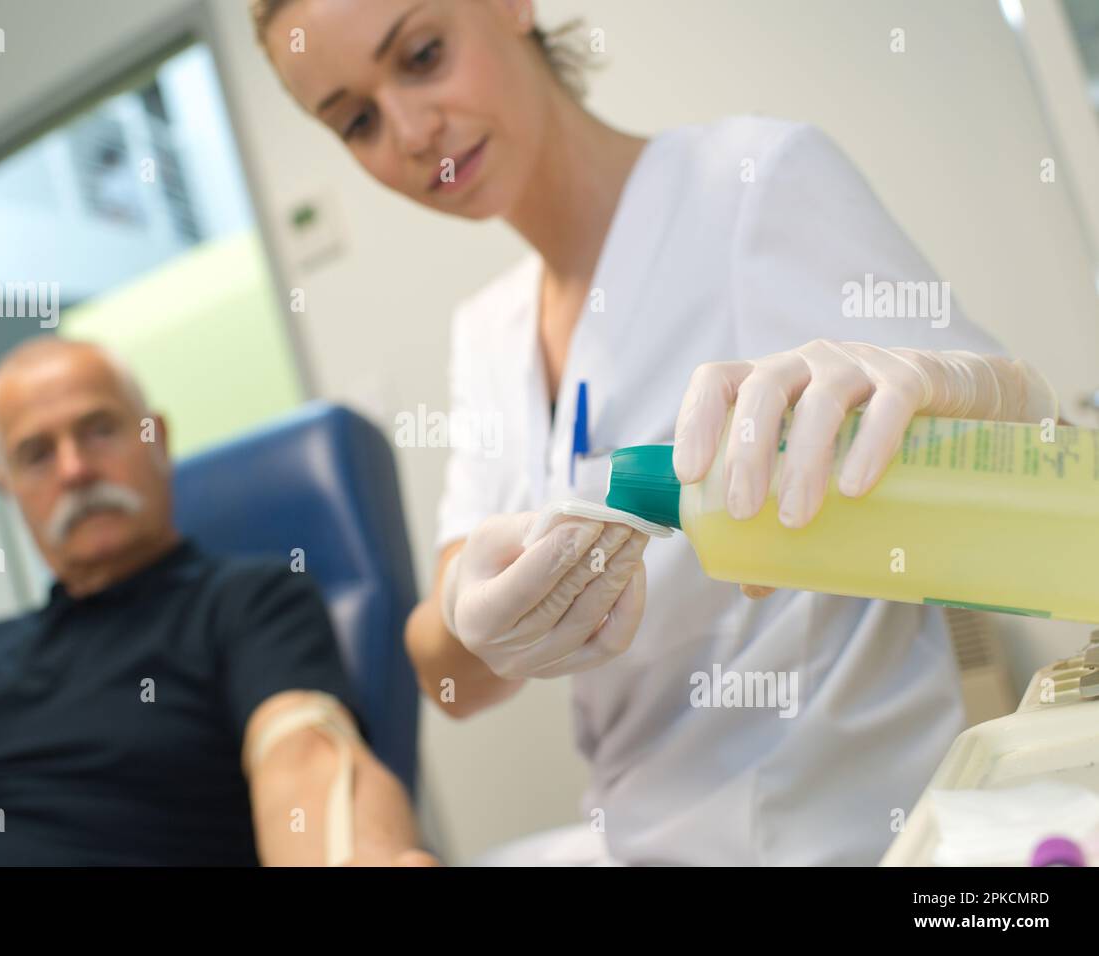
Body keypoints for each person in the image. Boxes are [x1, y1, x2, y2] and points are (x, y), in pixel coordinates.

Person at [251, 0, 1060, 864]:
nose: (410, 132)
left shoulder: (752, 182)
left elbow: (1039, 508)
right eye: (357, 121)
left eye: (421, 55)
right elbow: (446, 679)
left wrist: (977, 395)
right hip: (630, 841)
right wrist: (469, 614)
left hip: (838, 832)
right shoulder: (488, 333)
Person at [0, 337, 435, 867]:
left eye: (98, 430)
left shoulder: (246, 600)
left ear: (155, 438)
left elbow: (303, 751)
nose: (74, 470)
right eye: (36, 454)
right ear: (10, 489)